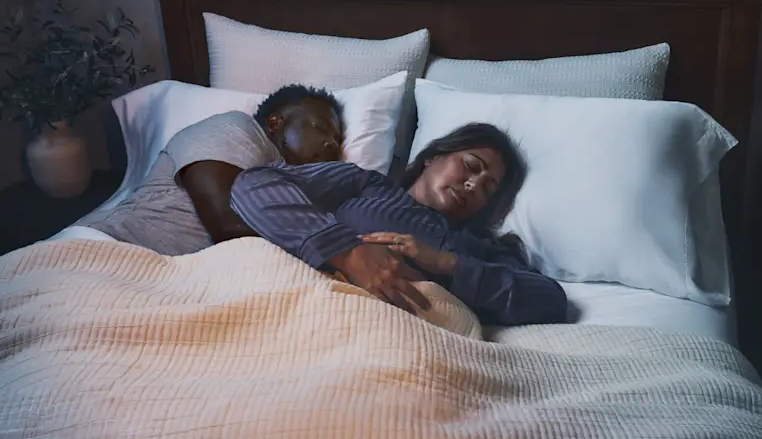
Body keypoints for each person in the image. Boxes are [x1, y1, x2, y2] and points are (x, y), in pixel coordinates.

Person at [229, 123, 567, 326]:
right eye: (470, 165)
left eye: (488, 189)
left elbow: (551, 300)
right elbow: (253, 186)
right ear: (433, 156)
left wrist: (445, 263)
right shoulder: (366, 185)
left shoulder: (478, 248)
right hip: (307, 310)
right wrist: (347, 252)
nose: (473, 184)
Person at [76, 84, 344, 256]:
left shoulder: (299, 187)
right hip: (108, 250)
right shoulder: (240, 128)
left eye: (337, 140)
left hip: (175, 281)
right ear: (275, 122)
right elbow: (225, 225)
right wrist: (338, 253)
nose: (331, 143)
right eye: (320, 127)